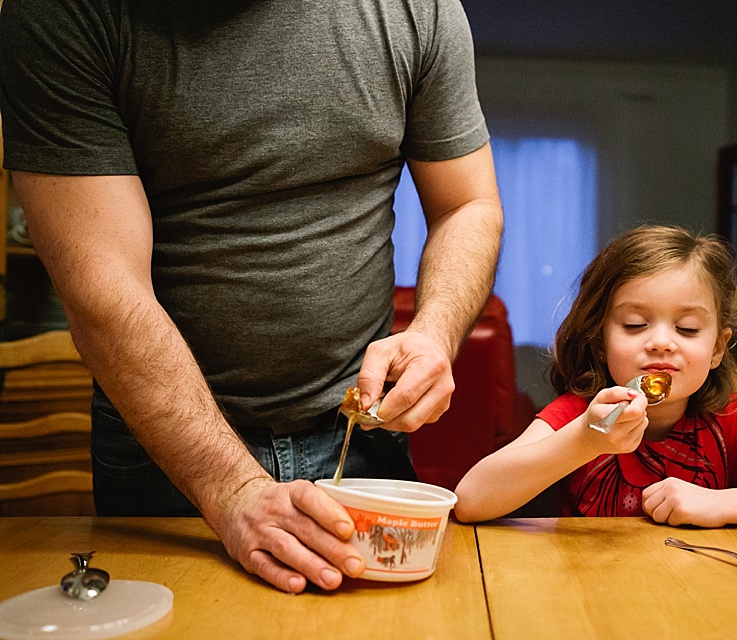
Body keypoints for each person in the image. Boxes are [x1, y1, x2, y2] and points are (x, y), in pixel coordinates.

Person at [0, 0, 502, 593]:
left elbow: (467, 205)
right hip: (169, 455)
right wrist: (232, 488)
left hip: (356, 440)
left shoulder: (415, 9)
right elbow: (103, 287)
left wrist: (433, 333)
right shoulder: (59, 16)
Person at [455, 225, 737, 526]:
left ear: (717, 348)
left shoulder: (732, 419)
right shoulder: (579, 415)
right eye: (635, 325)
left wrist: (721, 505)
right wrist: (584, 439)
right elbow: (472, 501)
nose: (661, 342)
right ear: (601, 342)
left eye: (688, 329)